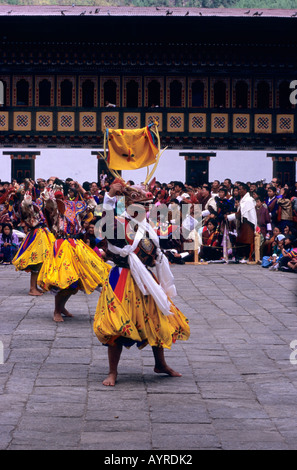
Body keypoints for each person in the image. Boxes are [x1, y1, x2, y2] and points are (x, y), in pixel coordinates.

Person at [93, 180, 190, 386]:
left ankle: (160, 364)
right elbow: (104, 220)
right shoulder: (119, 223)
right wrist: (110, 195)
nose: (146, 209)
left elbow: (152, 249)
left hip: (145, 278)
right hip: (122, 278)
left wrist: (155, 257)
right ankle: (112, 372)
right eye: (142, 205)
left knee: (157, 319)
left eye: (148, 206)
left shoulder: (147, 226)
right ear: (129, 205)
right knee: (117, 323)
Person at [37, 183, 110, 322]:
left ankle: (62, 307)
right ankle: (56, 311)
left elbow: (94, 206)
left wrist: (81, 190)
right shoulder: (53, 208)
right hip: (61, 245)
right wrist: (49, 194)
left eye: (60, 191)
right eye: (55, 191)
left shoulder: (73, 206)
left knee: (75, 280)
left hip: (76, 244)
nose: (58, 193)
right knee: (64, 280)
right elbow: (48, 205)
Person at [12, 191, 56, 296]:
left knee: (40, 261)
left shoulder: (34, 205)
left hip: (41, 233)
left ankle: (35, 287)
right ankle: (32, 288)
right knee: (36, 261)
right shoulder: (25, 207)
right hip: (37, 235)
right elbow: (27, 204)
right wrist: (27, 191)